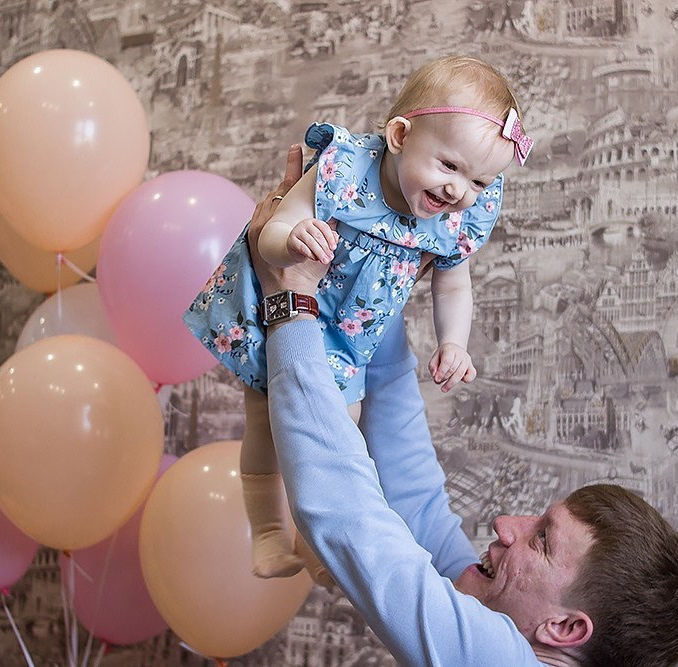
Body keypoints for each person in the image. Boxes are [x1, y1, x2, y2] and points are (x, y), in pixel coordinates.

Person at [246, 147, 678, 666]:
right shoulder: (494, 607)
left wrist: (290, 294)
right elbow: (413, 498)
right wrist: (369, 291)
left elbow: (347, 517)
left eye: (543, 541)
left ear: (567, 627)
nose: (506, 524)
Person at [185, 55, 533, 580]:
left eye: (480, 182)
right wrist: (293, 238)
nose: (460, 191)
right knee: (264, 421)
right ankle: (268, 533)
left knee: (332, 444)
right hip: (276, 314)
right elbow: (271, 233)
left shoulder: (457, 215)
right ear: (398, 136)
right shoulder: (345, 170)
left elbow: (454, 281)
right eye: (450, 167)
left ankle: (311, 541)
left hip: (348, 340)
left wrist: (454, 342)